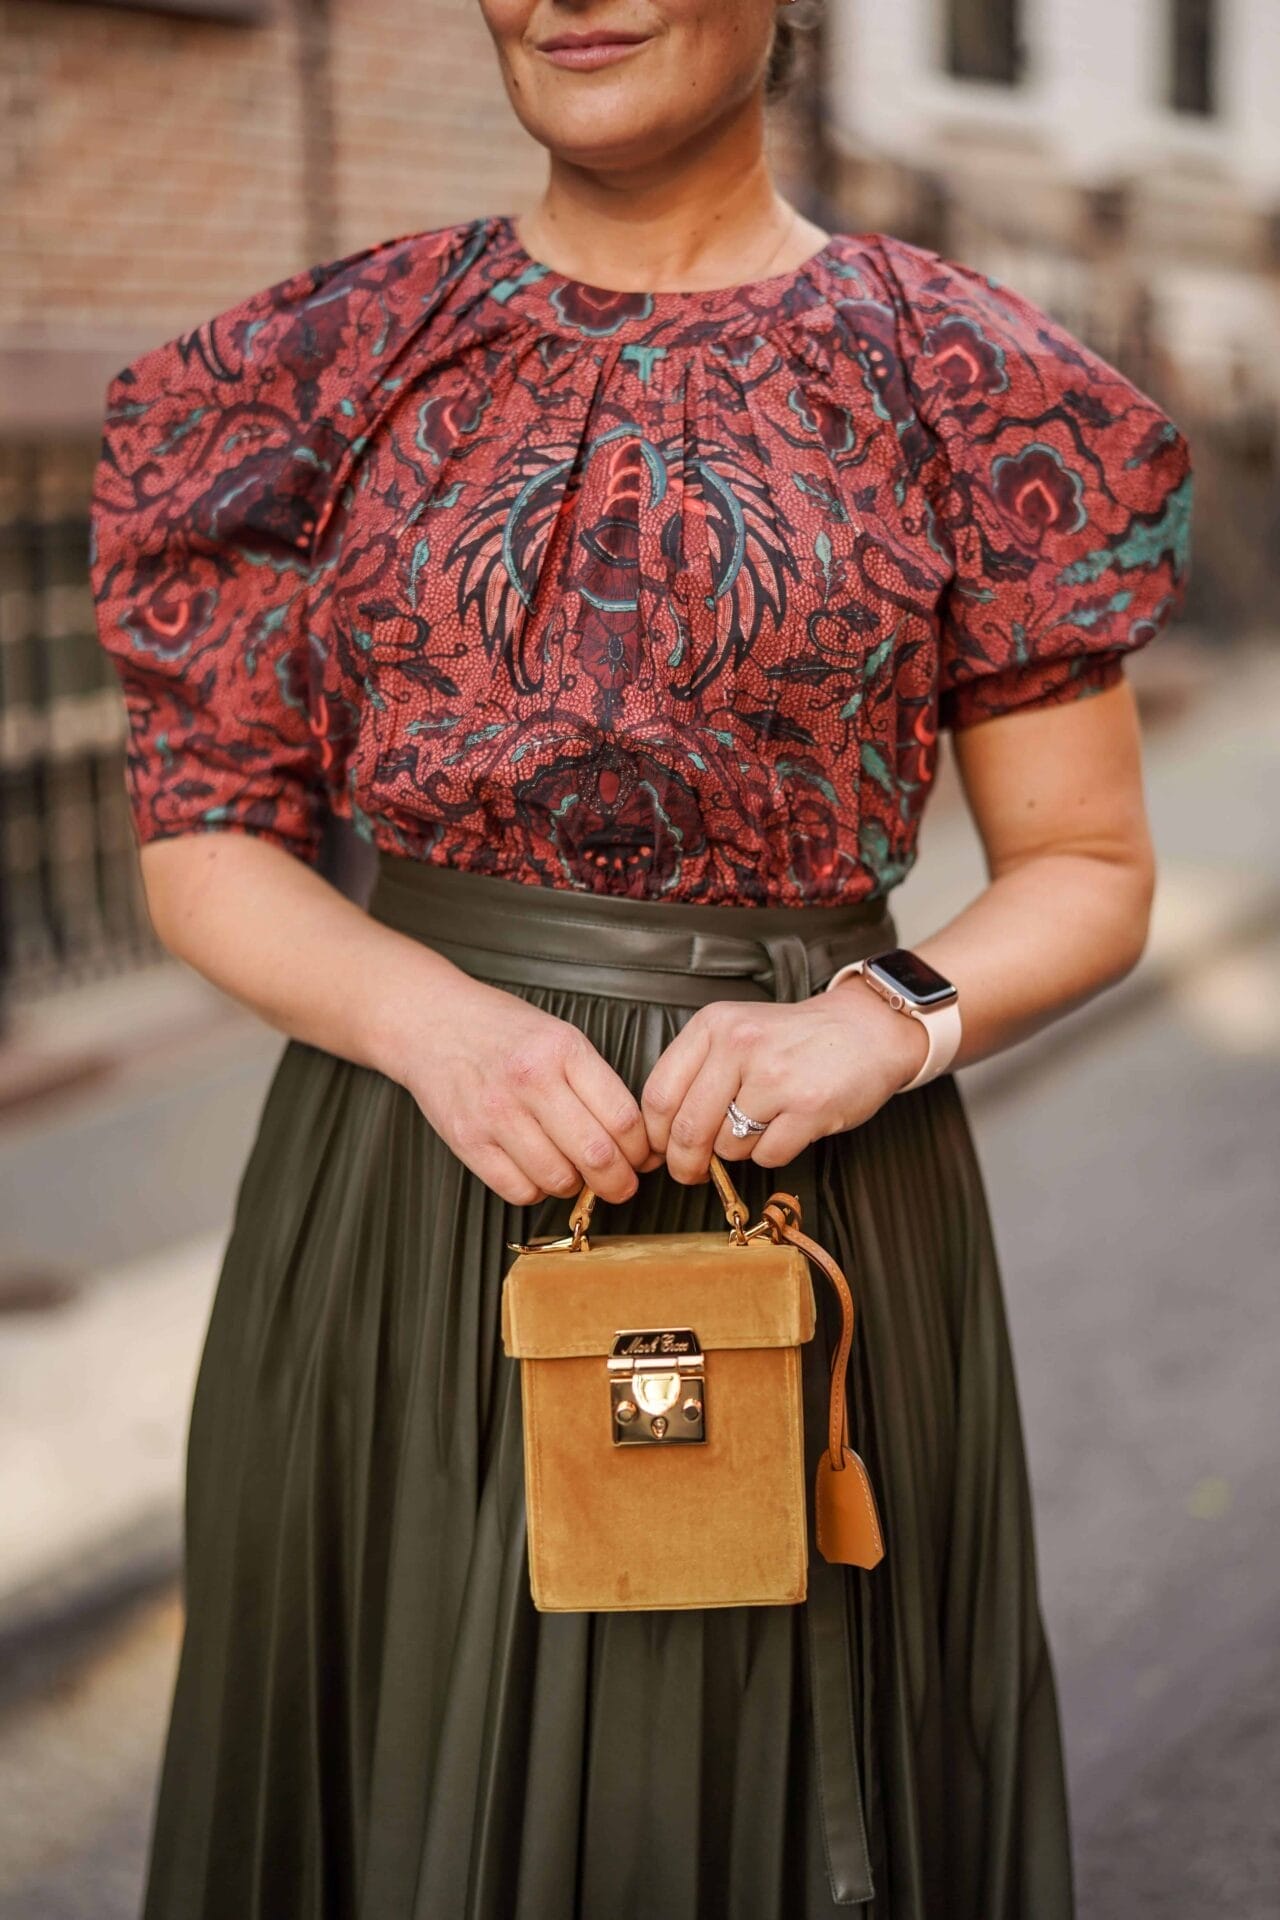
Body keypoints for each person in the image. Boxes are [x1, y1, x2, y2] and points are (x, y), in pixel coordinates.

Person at [88, 3, 1193, 1915]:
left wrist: (890, 1018)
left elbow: (1088, 866)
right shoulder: (313, 368)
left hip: (814, 1208)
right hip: (400, 1205)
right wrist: (434, 1029)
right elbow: (205, 847)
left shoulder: (970, 379)